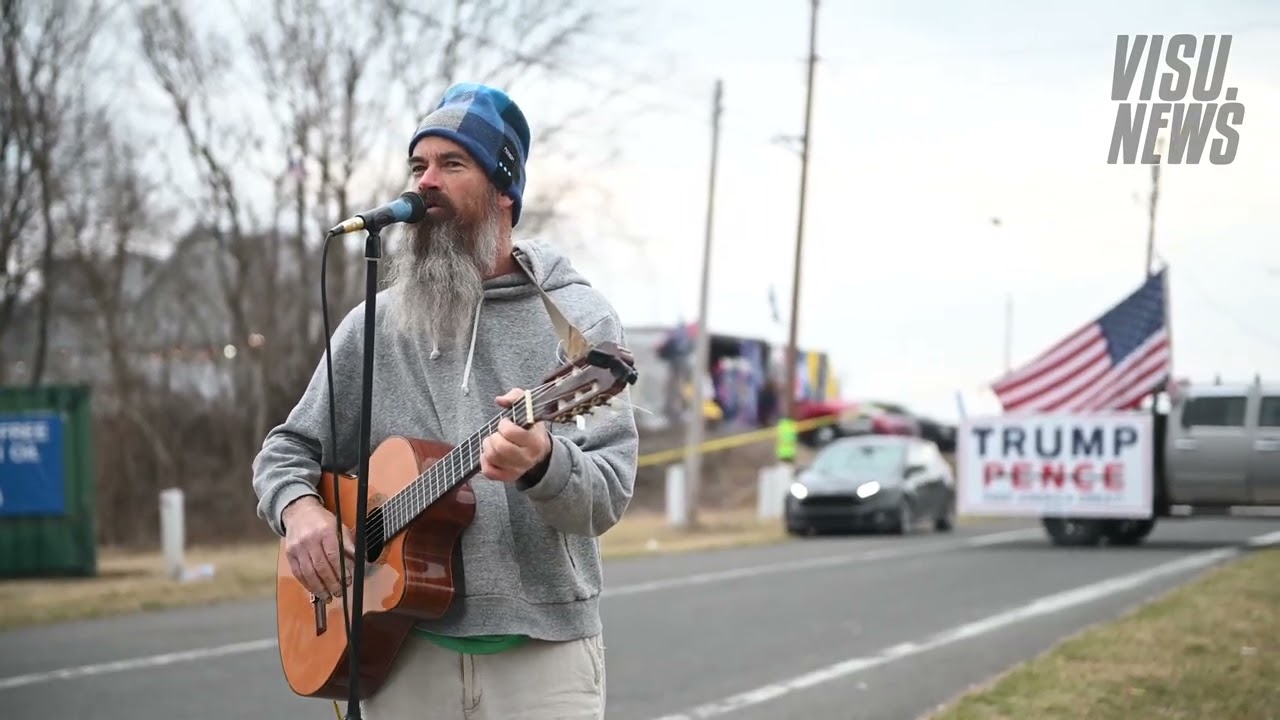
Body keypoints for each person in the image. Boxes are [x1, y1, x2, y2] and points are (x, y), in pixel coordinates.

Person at [251, 82, 639, 719]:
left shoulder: (576, 322)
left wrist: (543, 463)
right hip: (397, 647)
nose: (425, 181)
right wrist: (300, 512)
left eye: (452, 164)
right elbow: (286, 451)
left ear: (504, 191)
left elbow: (606, 496)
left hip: (542, 656)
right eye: (417, 165)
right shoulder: (375, 323)